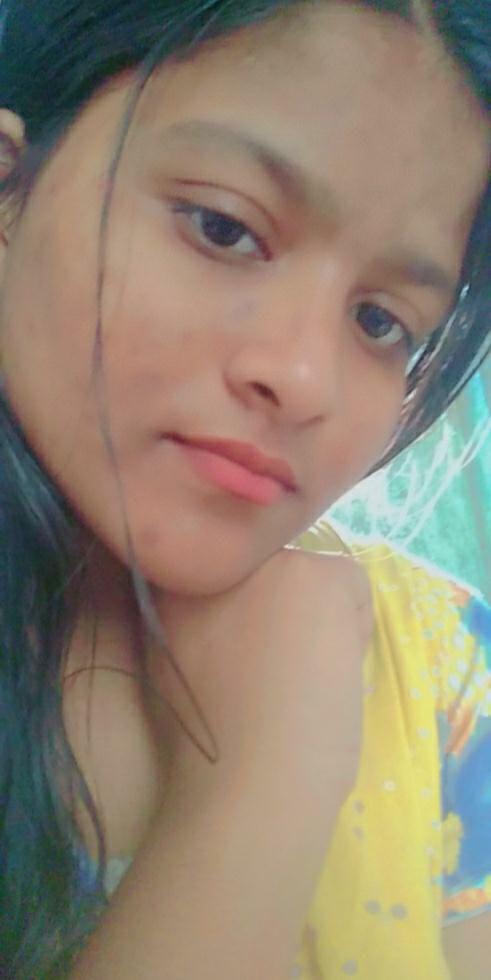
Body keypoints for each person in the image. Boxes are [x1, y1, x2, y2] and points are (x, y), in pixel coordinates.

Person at [0, 0, 489, 977]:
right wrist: (263, 781)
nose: (304, 379)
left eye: (380, 322)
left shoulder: (441, 673)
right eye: (224, 228)